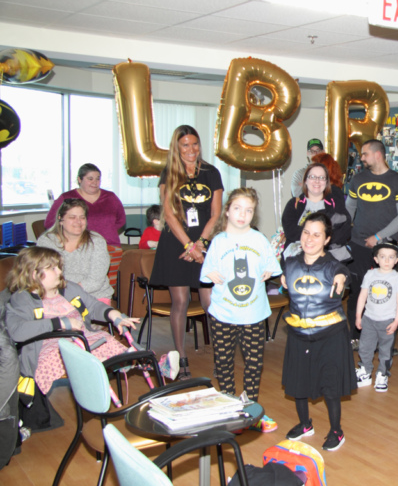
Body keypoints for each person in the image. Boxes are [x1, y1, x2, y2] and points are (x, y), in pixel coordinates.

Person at [5, 247, 139, 397]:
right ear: (33, 273)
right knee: (67, 351)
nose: (60, 272)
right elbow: (17, 331)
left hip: (84, 338)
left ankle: (142, 361)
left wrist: (113, 314)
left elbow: (93, 305)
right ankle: (103, 362)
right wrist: (60, 323)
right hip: (50, 346)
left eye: (59, 267)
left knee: (106, 339)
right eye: (52, 269)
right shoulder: (22, 299)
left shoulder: (69, 288)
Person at [200, 188, 282, 433]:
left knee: (254, 364)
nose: (242, 214)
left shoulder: (258, 239)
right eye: (237, 208)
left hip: (253, 315)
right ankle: (228, 408)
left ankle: (252, 411)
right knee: (223, 363)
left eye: (248, 210)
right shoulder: (218, 242)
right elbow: (205, 274)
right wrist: (210, 274)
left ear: (253, 214)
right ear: (227, 210)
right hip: (223, 314)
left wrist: (269, 271)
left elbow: (272, 265)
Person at [150, 124, 223, 380]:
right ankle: (180, 358)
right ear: (177, 147)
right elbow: (168, 214)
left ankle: (220, 355)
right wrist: (188, 246)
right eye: (185, 145)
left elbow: (216, 214)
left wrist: (200, 243)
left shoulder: (211, 172)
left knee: (209, 302)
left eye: (195, 144)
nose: (191, 149)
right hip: (176, 244)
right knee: (180, 301)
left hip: (204, 243)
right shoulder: (169, 172)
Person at [280, 213, 354, 452]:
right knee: (298, 381)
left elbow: (346, 274)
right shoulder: (289, 264)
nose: (309, 239)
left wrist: (343, 276)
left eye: (316, 234)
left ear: (326, 239)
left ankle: (336, 431)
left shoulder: (334, 267)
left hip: (330, 334)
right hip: (299, 332)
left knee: (330, 385)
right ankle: (304, 424)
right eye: (306, 233)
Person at [346, 140, 398, 343]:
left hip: (385, 248)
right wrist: (346, 233)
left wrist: (378, 237)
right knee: (358, 292)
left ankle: (384, 339)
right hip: (359, 245)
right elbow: (350, 209)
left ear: (378, 155)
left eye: (365, 154)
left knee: (384, 294)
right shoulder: (358, 179)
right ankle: (356, 337)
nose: (362, 158)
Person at [37, 199, 113, 304]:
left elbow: (95, 281)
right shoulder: (46, 242)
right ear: (60, 219)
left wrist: (68, 294)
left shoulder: (97, 241)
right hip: (56, 295)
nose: (78, 222)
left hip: (94, 297)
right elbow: (45, 277)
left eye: (82, 217)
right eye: (72, 217)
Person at [355, 241, 398, 392]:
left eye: (391, 257)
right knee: (365, 347)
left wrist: (397, 321)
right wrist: (359, 316)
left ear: (397, 260)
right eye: (383, 257)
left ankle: (382, 374)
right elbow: (362, 296)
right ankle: (365, 372)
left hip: (387, 321)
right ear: (376, 259)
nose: (386, 260)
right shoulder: (370, 274)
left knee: (385, 351)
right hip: (369, 319)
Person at [281, 162, 351, 262]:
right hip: (299, 258)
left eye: (321, 177)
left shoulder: (335, 203)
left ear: (326, 182)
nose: (317, 181)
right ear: (305, 180)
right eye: (313, 177)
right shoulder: (294, 204)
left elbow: (344, 231)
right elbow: (290, 231)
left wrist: (316, 240)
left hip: (329, 258)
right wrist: (318, 237)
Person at [45, 163, 126, 247]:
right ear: (79, 179)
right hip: (77, 247)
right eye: (90, 179)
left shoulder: (110, 197)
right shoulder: (66, 197)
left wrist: (107, 231)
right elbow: (50, 223)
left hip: (109, 246)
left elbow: (121, 220)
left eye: (98, 179)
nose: (95, 182)